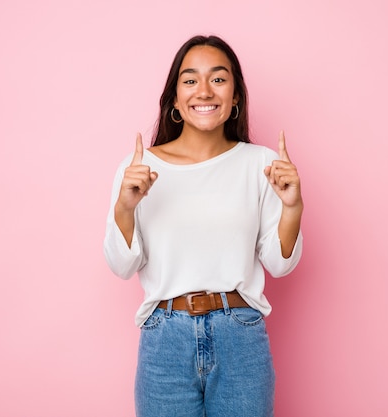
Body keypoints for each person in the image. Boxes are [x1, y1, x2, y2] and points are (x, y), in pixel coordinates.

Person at [103, 34, 303, 417]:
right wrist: (125, 208)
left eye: (219, 78)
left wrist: (292, 206)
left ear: (236, 96)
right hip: (165, 339)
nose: (204, 90)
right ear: (175, 100)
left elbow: (279, 264)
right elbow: (122, 265)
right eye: (190, 80)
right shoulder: (140, 168)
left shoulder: (260, 164)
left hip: (240, 336)